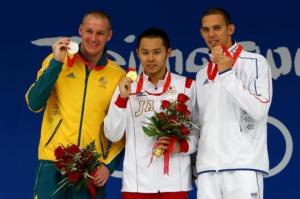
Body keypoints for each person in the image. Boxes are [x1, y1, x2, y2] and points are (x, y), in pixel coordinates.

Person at [25, 10, 125, 199]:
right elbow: (34, 103)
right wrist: (56, 63)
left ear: (109, 35)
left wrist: (108, 165)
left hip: (90, 169)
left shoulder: (117, 75)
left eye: (100, 33)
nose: (93, 38)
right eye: (89, 31)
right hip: (52, 162)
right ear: (80, 30)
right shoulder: (57, 61)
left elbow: (123, 129)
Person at [104, 28, 198, 199]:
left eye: (157, 52)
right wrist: (122, 100)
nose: (150, 58)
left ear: (168, 53)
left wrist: (182, 146)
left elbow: (198, 131)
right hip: (137, 185)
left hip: (175, 184)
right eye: (145, 52)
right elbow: (112, 134)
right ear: (138, 53)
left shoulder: (187, 86)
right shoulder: (126, 87)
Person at [195, 8, 273, 199]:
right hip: (207, 171)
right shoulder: (202, 74)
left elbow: (259, 109)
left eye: (217, 28)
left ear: (230, 29)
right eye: (206, 30)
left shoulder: (255, 62)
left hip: (242, 167)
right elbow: (198, 123)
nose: (211, 34)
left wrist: (227, 73)